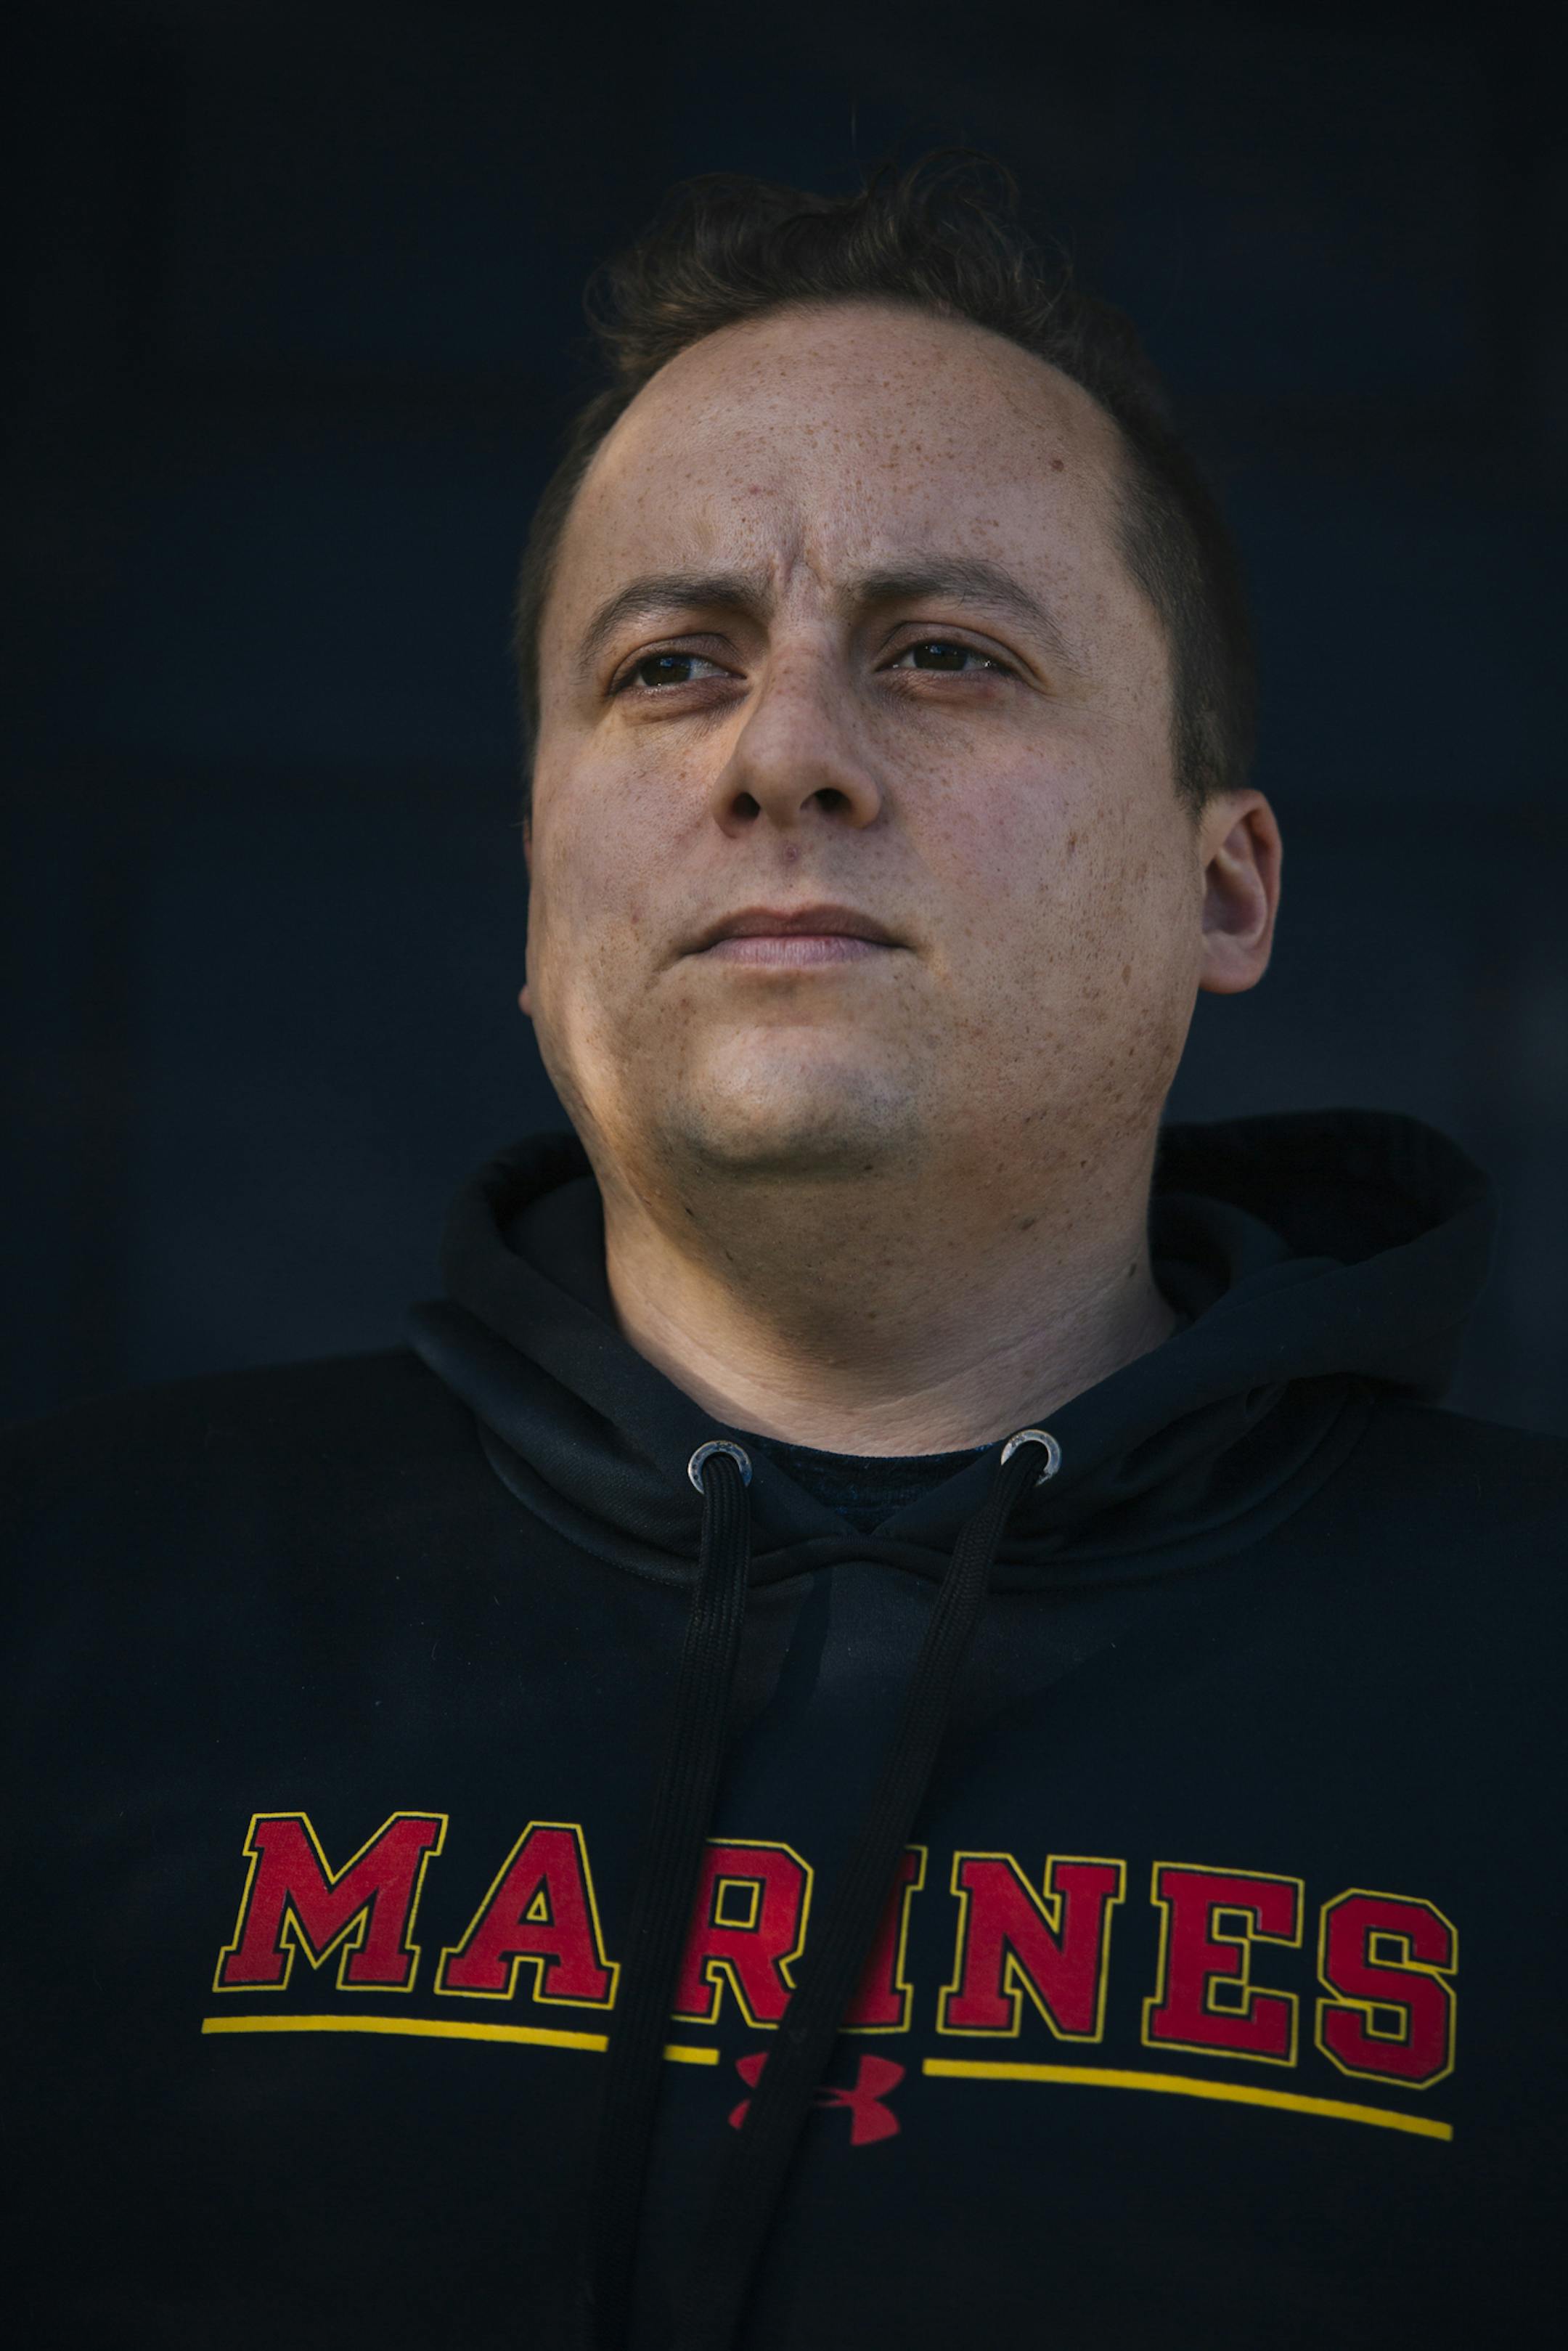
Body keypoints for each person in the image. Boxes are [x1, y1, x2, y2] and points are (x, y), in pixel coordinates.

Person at [4, 158, 1563, 2351]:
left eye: (946, 653)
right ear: (539, 896)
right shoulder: (64, 1615)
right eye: (670, 665)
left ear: (1227, 889)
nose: (788, 753)